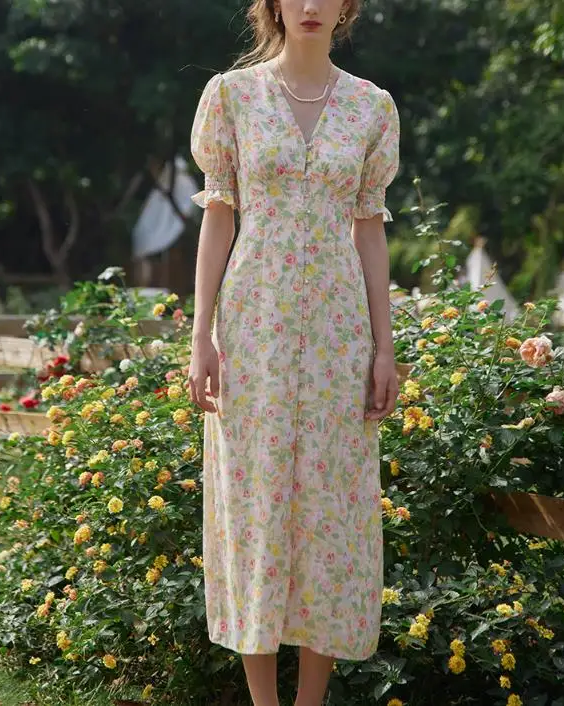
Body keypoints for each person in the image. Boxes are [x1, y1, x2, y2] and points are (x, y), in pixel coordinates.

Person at [187, 1, 400, 704]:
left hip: (341, 337)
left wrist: (384, 348)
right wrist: (201, 335)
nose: (310, 6)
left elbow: (369, 232)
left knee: (331, 511)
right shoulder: (232, 96)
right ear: (273, 4)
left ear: (347, 6)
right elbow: (219, 218)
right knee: (254, 501)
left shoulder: (372, 107)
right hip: (254, 332)